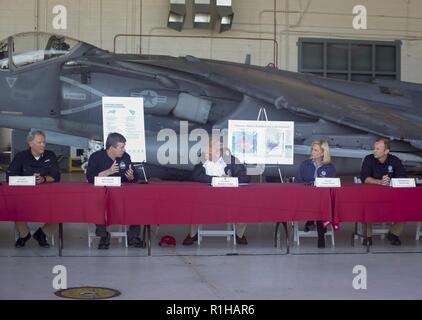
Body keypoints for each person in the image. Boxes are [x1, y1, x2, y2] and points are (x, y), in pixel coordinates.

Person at [183, 139, 251, 245]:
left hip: (229, 198)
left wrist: (229, 180)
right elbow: (195, 175)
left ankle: (239, 234)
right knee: (194, 205)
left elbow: (245, 177)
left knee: (244, 206)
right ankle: (193, 234)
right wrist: (215, 180)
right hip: (206, 198)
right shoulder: (203, 158)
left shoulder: (231, 160)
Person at [86, 132, 144, 249]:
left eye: (124, 147)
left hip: (121, 195)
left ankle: (133, 236)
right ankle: (103, 236)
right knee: (97, 203)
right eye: (121, 147)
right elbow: (90, 178)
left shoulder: (125, 157)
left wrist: (131, 177)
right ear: (111, 148)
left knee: (136, 202)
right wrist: (108, 172)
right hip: (102, 194)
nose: (124, 149)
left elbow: (136, 177)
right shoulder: (96, 157)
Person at [6, 130, 60, 248]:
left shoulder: (50, 155)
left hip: (47, 197)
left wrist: (44, 179)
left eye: (44, 142)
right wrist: (28, 180)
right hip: (25, 198)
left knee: (62, 210)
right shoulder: (20, 156)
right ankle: (24, 235)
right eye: (39, 142)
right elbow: (9, 176)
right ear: (30, 143)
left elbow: (56, 176)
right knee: (14, 207)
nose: (43, 145)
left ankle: (43, 233)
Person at [360, 137, 407, 246]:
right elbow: (365, 178)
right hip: (372, 197)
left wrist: (391, 181)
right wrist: (380, 182)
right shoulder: (368, 159)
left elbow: (403, 177)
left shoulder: (395, 160)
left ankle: (394, 234)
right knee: (365, 207)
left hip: (392, 197)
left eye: (378, 149)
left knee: (406, 206)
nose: (374, 151)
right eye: (374, 148)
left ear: (386, 151)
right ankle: (368, 236)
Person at [295, 140, 336, 248]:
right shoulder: (305, 164)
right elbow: (298, 182)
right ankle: (320, 233)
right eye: (312, 149)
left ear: (323, 153)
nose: (312, 152)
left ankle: (318, 231)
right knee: (318, 205)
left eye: (315, 150)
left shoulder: (330, 167)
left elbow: (332, 184)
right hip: (305, 199)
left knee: (321, 204)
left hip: (323, 201)